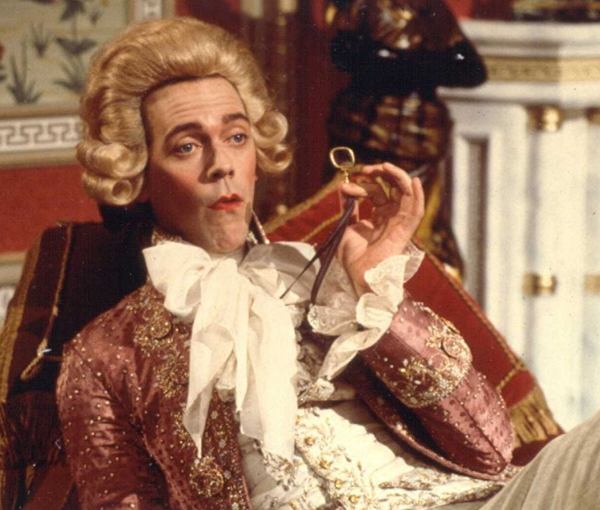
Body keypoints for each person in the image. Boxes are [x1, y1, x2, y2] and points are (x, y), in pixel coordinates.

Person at [55, 16, 596, 510]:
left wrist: (375, 295)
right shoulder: (105, 354)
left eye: (237, 137)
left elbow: (491, 448)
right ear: (138, 174)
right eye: (186, 147)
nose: (222, 165)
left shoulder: (326, 277)